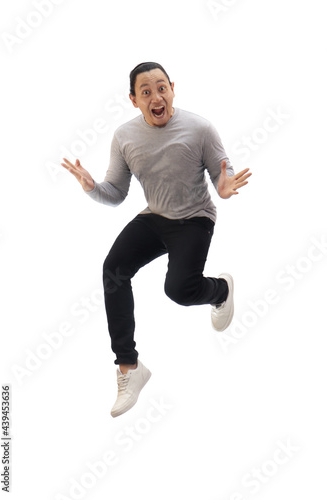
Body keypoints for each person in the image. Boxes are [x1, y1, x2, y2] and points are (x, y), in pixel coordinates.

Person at [61, 62, 251, 418]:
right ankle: (129, 368)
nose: (156, 97)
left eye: (161, 88)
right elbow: (115, 192)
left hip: (195, 218)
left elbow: (221, 177)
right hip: (155, 216)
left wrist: (224, 190)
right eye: (146, 92)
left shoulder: (200, 128)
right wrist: (91, 187)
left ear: (173, 88)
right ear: (134, 100)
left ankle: (221, 291)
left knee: (179, 291)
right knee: (114, 269)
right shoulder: (125, 136)